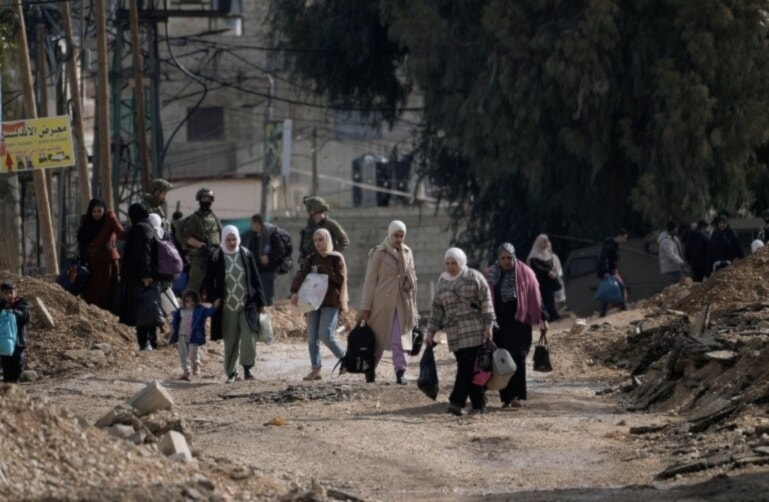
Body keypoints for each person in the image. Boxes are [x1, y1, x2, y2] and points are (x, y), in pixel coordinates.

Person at [424, 248, 496, 416]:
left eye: (454, 263)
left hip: (474, 331)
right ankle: (479, 405)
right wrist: (430, 333)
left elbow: (486, 301)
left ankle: (457, 402)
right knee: (471, 370)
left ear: (461, 262)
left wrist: (489, 325)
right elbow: (436, 310)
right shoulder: (443, 281)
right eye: (448, 263)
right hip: (455, 334)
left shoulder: (474, 277)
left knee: (466, 368)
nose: (450, 267)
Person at [486, 243, 548, 407]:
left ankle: (517, 396)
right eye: (503, 258)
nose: (506, 261)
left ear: (515, 257)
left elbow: (536, 298)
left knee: (518, 358)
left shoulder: (526, 274)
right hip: (499, 326)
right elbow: (483, 299)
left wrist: (543, 319)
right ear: (498, 258)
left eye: (509, 258)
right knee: (503, 361)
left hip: (520, 324)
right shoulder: (491, 275)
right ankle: (506, 398)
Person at [204, 225, 267, 383]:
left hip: (247, 304)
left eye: (234, 239)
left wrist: (261, 302)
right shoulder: (216, 256)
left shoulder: (245, 254)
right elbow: (208, 281)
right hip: (227, 307)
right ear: (223, 239)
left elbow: (256, 279)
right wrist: (214, 298)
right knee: (231, 341)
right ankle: (232, 373)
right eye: (228, 239)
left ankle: (248, 368)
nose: (231, 242)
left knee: (249, 336)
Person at [359, 220, 418, 384]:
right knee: (377, 340)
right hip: (381, 305)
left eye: (401, 236)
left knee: (399, 339)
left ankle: (401, 372)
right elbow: (370, 281)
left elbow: (413, 280)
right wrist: (365, 307)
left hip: (402, 303)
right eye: (396, 235)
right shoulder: (378, 253)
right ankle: (370, 371)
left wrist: (414, 308)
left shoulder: (407, 252)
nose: (399, 239)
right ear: (389, 234)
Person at [290, 228, 348, 381]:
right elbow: (302, 273)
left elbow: (341, 280)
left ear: (327, 240)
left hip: (330, 302)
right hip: (313, 302)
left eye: (320, 239)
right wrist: (294, 291)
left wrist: (325, 270)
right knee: (312, 337)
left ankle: (345, 359)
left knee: (325, 335)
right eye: (315, 240)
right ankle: (315, 369)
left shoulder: (336, 259)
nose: (317, 243)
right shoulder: (311, 258)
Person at [117, 203, 160, 351]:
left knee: (142, 309)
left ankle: (145, 342)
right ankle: (152, 341)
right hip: (145, 275)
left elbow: (144, 254)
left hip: (141, 277)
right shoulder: (148, 227)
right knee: (149, 307)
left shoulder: (140, 229)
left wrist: (145, 275)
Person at [76, 198, 125, 310]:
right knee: (90, 292)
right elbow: (81, 239)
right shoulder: (86, 220)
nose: (97, 214)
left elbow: (121, 234)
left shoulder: (109, 218)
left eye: (99, 211)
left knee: (106, 292)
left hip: (106, 262)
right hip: (89, 261)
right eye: (94, 211)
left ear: (104, 210)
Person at [170, 290, 217, 381]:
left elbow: (209, 312)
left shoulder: (200, 310)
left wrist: (214, 306)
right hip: (182, 335)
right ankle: (186, 371)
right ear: (184, 301)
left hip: (193, 335)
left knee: (193, 352)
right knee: (183, 354)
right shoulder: (181, 310)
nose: (190, 303)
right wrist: (173, 328)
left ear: (196, 300)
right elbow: (176, 321)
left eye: (192, 301)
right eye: (187, 301)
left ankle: (195, 366)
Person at [183, 188, 223, 295]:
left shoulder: (215, 217)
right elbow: (187, 237)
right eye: (203, 198)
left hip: (214, 255)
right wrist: (200, 245)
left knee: (215, 284)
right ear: (199, 200)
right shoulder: (194, 218)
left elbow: (221, 234)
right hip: (200, 256)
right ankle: (187, 309)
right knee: (194, 286)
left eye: (208, 198)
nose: (206, 201)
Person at [246, 214, 286, 306]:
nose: (251, 225)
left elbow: (280, 249)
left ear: (257, 223)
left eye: (252, 223)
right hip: (256, 270)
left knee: (267, 295)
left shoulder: (271, 233)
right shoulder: (253, 235)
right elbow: (250, 250)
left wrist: (268, 257)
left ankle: (267, 315)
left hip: (268, 269)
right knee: (257, 294)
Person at [298, 196, 349, 266]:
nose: (307, 212)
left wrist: (332, 255)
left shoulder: (330, 224)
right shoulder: (310, 224)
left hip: (326, 265)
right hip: (309, 263)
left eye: (308, 209)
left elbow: (344, 241)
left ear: (313, 210)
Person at [526, 234, 562, 321]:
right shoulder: (534, 256)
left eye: (547, 241)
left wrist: (553, 271)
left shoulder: (548, 254)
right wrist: (547, 271)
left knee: (551, 298)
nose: (546, 243)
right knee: (544, 299)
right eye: (544, 241)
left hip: (550, 281)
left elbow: (552, 264)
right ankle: (547, 317)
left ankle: (554, 314)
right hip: (541, 282)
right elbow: (537, 268)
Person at [0, 281, 30, 383]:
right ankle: (8, 392)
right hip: (5, 342)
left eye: (11, 292)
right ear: (1, 294)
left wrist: (13, 311)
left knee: (17, 367)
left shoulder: (21, 303)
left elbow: (25, 317)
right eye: (6, 293)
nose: (9, 295)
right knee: (7, 369)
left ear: (15, 292)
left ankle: (14, 390)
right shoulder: (1, 305)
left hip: (18, 342)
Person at [597, 228, 628, 317]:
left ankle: (604, 312)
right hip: (608, 272)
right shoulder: (609, 245)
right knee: (619, 288)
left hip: (611, 271)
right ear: (619, 236)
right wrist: (606, 272)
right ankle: (622, 307)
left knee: (609, 290)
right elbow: (605, 259)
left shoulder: (614, 245)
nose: (625, 240)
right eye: (624, 238)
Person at [658, 221, 686, 286]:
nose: (677, 230)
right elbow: (670, 254)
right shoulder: (665, 241)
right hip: (669, 272)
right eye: (676, 228)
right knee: (671, 291)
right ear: (674, 229)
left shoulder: (675, 239)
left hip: (676, 270)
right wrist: (680, 262)